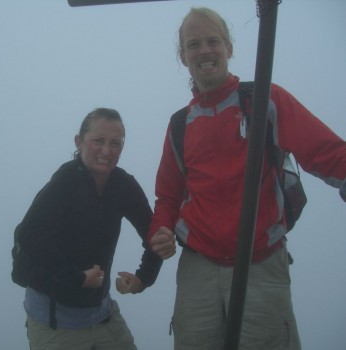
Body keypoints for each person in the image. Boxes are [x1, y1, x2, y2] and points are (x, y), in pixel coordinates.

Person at [148, 7, 346, 350]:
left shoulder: (264, 99)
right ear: (184, 56)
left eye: (213, 41)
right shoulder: (180, 124)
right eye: (194, 44)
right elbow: (167, 196)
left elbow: (325, 152)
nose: (205, 50)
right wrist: (161, 231)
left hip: (261, 262)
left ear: (229, 48)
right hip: (199, 268)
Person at [16, 107, 162, 350]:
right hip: (54, 323)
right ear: (79, 141)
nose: (107, 150)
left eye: (116, 143)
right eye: (98, 141)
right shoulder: (66, 181)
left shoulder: (123, 185)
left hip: (101, 314)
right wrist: (77, 278)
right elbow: (30, 235)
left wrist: (143, 278)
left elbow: (154, 234)